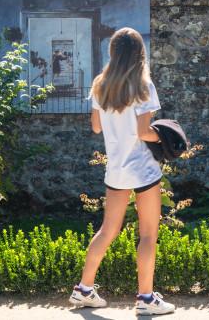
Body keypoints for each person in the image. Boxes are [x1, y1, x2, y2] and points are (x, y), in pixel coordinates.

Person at [68, 27, 176, 316]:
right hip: (143, 170)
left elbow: (96, 127)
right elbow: (144, 132)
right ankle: (146, 298)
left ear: (113, 52)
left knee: (107, 230)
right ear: (139, 53)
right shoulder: (143, 86)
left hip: (116, 170)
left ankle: (84, 289)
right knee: (148, 235)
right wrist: (168, 136)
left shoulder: (100, 85)